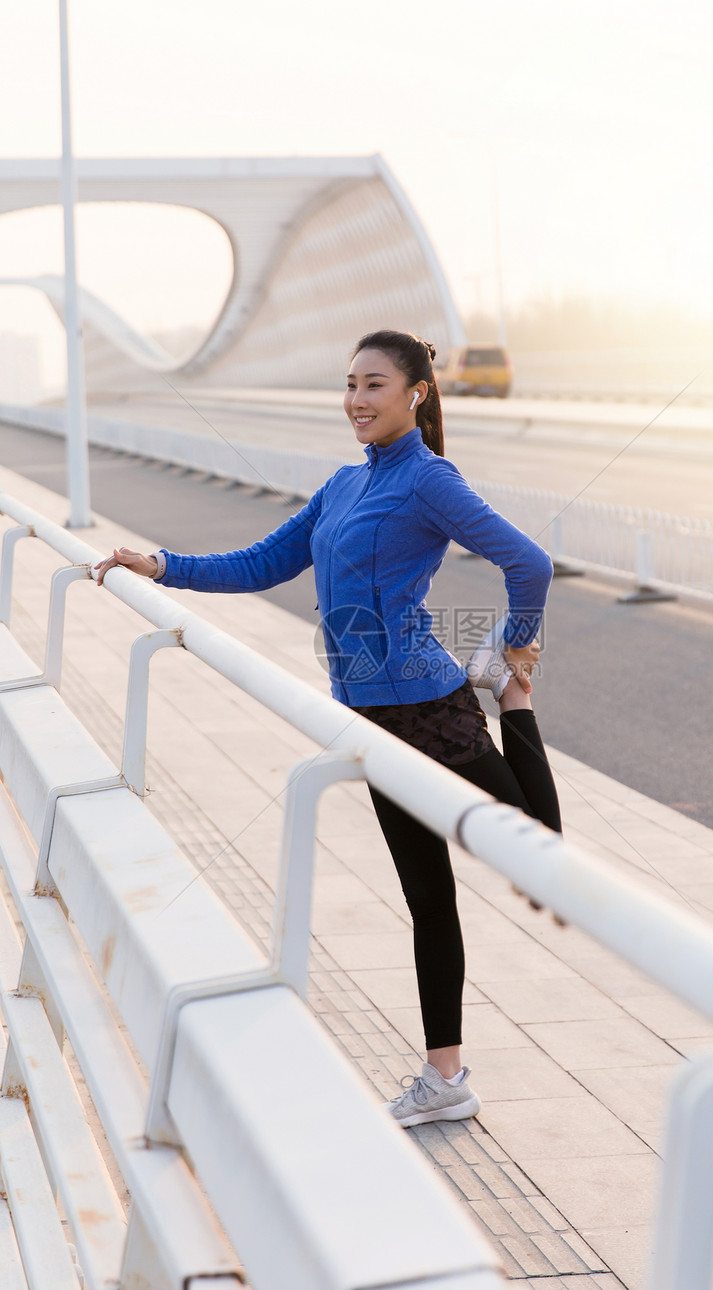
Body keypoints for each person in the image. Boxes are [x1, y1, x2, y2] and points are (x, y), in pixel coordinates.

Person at [94, 329, 561, 1128]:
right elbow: (260, 563)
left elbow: (531, 563)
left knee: (539, 855)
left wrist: (519, 643)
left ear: (415, 393)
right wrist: (162, 564)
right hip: (368, 719)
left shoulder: (428, 480)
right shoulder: (344, 486)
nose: (356, 400)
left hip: (426, 705)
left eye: (373, 385)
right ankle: (444, 1077)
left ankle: (513, 697)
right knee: (428, 899)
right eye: (349, 385)